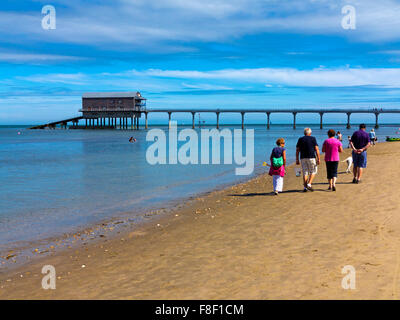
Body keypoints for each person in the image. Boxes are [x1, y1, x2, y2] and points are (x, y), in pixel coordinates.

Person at [296, 128, 320, 192]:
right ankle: (309, 184)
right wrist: (318, 158)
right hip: (311, 157)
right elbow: (316, 149)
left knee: (305, 172)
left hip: (303, 157)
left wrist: (297, 159)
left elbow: (297, 150)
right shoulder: (313, 138)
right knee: (313, 171)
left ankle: (305, 187)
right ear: (310, 133)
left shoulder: (300, 139)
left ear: (304, 133)